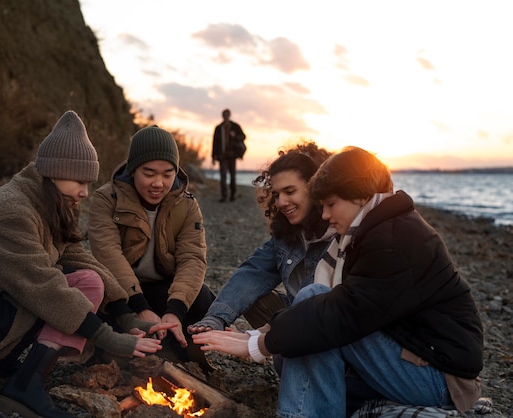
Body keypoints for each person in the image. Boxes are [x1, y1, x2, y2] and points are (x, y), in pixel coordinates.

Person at [193, 146, 484, 417]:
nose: (325, 214)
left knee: (312, 304)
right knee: (307, 326)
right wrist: (241, 327)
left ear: (359, 195)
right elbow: (256, 275)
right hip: (411, 359)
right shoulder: (372, 229)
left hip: (440, 379)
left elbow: (340, 311)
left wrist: (260, 343)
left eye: (330, 204)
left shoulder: (391, 239)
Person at [0, 111, 174, 418]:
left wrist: (125, 314)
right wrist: (107, 337)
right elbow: (41, 287)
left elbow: (76, 256)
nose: (86, 192)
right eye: (79, 181)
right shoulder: (11, 213)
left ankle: (26, 374)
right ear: (53, 172)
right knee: (77, 285)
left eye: (88, 182)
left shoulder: (50, 200)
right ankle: (24, 388)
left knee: (89, 278)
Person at [88, 125, 216, 367]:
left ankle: (174, 343)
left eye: (168, 174)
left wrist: (174, 311)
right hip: (121, 293)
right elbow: (108, 255)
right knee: (94, 299)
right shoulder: (107, 199)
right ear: (133, 169)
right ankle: (116, 347)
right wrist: (140, 308)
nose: (158, 183)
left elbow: (193, 258)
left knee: (202, 299)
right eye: (149, 173)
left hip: (162, 290)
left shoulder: (186, 205)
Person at [188, 141, 334, 338]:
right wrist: (216, 318)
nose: (281, 202)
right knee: (255, 296)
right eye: (276, 194)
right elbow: (253, 272)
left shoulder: (340, 232)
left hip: (335, 327)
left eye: (290, 192)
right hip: (299, 321)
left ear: (314, 187)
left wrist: (255, 339)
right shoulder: (287, 235)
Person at [212, 108, 246, 202]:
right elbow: (214, 143)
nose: (225, 116)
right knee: (223, 177)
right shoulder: (218, 128)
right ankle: (224, 196)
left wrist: (235, 136)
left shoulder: (235, 126)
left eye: (227, 114)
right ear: (222, 116)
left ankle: (232, 195)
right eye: (224, 115)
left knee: (232, 176)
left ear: (229, 115)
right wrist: (213, 156)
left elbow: (243, 136)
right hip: (222, 156)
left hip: (232, 155)